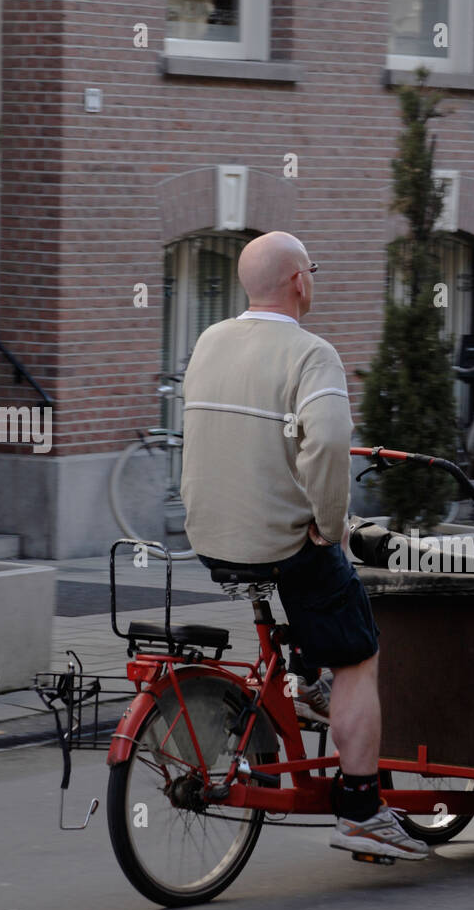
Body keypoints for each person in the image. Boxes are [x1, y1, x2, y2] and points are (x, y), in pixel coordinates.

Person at [179, 230, 428, 862]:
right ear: (299, 281)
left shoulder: (208, 341)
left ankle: (306, 680)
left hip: (211, 536)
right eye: (311, 270)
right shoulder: (311, 354)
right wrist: (330, 522)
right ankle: (364, 807)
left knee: (314, 613)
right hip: (280, 541)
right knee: (361, 652)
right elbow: (326, 445)